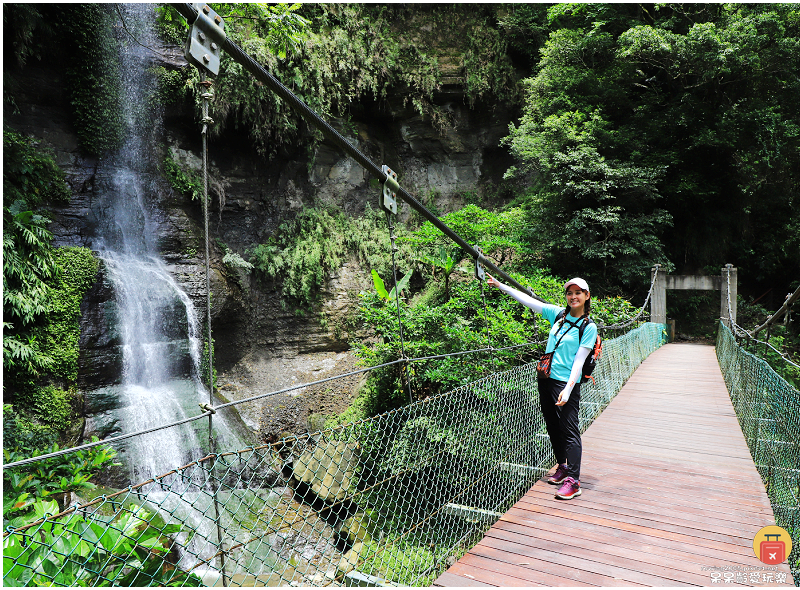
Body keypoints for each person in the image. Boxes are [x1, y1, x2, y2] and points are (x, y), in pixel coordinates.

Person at [486, 275, 597, 500]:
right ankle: (563, 467)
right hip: (545, 378)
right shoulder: (558, 315)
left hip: (565, 383)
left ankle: (573, 481)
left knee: (569, 429)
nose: (573, 296)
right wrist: (501, 285)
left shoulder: (588, 327)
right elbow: (529, 301)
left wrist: (568, 388)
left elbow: (579, 360)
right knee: (553, 426)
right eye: (569, 292)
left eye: (578, 292)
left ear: (586, 296)